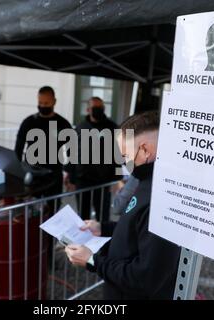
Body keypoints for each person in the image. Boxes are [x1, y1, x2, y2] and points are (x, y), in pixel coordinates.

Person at [65, 111, 181, 300]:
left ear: (145, 149)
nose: (123, 161)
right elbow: (137, 230)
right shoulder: (146, 181)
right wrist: (102, 227)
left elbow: (145, 279)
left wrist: (93, 260)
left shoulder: (162, 199)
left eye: (126, 154)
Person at [14, 86, 72, 210]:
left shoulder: (63, 124)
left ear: (54, 102)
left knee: (53, 210)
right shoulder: (28, 122)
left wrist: (70, 174)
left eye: (46, 103)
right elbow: (18, 149)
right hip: (31, 176)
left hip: (54, 176)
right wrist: (15, 173)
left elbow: (72, 150)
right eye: (40, 103)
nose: (43, 106)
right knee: (31, 212)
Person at [69, 97, 121, 222]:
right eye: (95, 108)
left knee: (102, 216)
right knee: (82, 216)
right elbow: (72, 153)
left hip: (104, 180)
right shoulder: (80, 127)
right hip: (83, 180)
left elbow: (119, 154)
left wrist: (117, 179)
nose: (99, 110)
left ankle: (101, 241)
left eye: (101, 108)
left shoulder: (113, 127)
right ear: (88, 110)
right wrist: (71, 177)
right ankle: (83, 241)